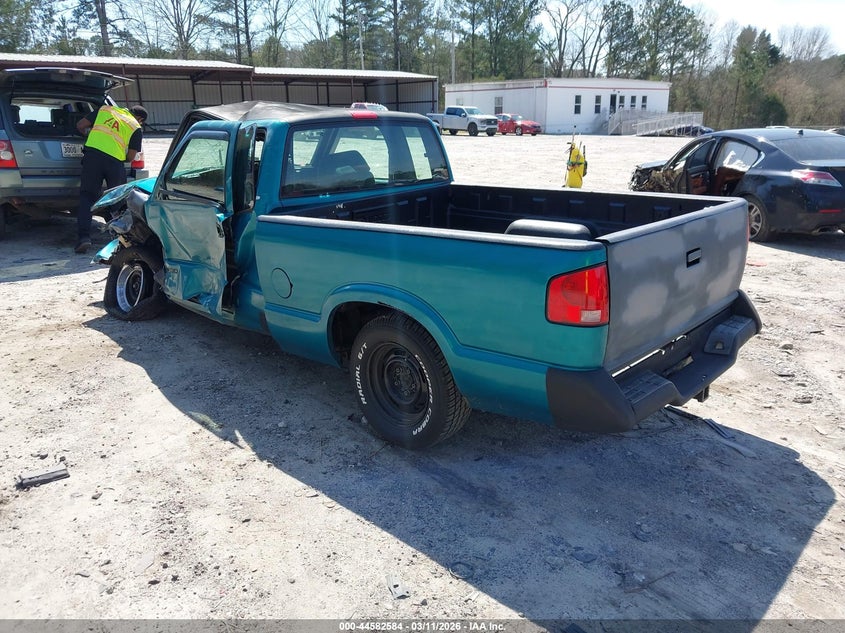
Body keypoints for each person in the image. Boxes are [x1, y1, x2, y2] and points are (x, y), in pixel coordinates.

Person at [74, 103, 148, 253]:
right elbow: (131, 157)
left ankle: (84, 238)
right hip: (114, 164)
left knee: (87, 197)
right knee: (118, 201)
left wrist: (92, 137)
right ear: (139, 118)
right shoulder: (135, 126)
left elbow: (80, 125)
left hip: (92, 157)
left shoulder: (105, 109)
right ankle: (121, 242)